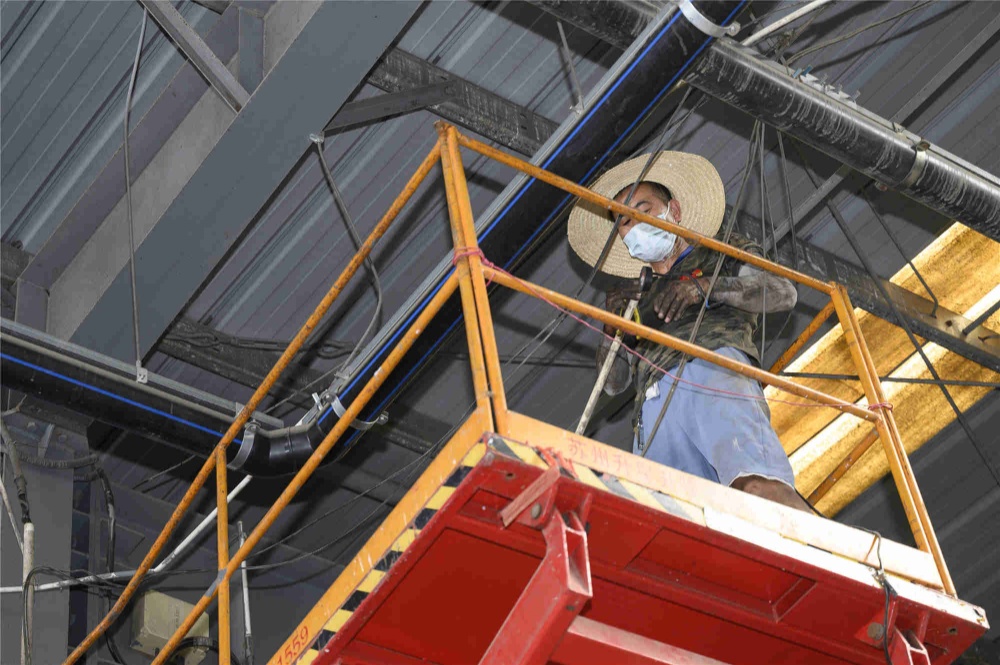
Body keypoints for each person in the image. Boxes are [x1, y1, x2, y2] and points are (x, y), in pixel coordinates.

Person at [567, 151, 811, 512]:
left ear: (675, 210)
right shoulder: (634, 296)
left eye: (643, 210)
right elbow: (613, 384)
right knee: (674, 520)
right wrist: (611, 328)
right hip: (653, 404)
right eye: (624, 221)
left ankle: (806, 538)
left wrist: (704, 287)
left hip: (712, 369)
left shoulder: (719, 251)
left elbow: (782, 293)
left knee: (755, 488)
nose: (634, 224)